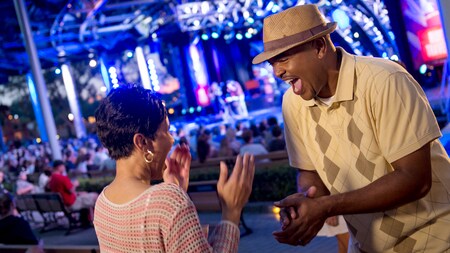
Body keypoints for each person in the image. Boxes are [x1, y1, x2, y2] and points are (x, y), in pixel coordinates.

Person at [252, 4, 450, 252]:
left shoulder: (385, 80)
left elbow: (414, 179)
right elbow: (309, 172)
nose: (277, 71)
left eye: (284, 58)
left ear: (320, 47)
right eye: (272, 63)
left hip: (435, 242)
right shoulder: (292, 103)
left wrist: (328, 206)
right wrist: (307, 200)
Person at [93, 85, 255, 252]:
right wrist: (231, 212)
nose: (171, 140)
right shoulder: (168, 202)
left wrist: (176, 191)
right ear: (142, 142)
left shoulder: (103, 203)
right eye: (167, 131)